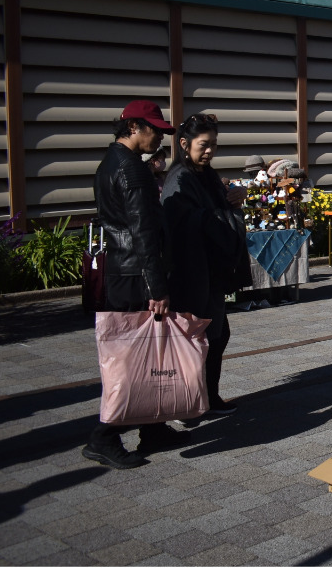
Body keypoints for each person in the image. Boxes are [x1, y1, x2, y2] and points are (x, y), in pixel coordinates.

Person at [85, 100, 179, 469]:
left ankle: (153, 428)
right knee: (135, 358)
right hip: (136, 274)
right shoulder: (133, 172)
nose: (159, 136)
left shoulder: (109, 163)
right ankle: (104, 436)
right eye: (154, 129)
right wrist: (157, 288)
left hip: (121, 271)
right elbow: (144, 233)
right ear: (134, 127)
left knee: (141, 353)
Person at [161, 113, 250, 423]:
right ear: (184, 144)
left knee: (216, 335)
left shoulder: (206, 175)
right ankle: (188, 402)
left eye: (214, 145)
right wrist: (220, 216)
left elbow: (217, 210)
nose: (210, 151)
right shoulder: (180, 179)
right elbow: (180, 225)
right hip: (189, 273)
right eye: (204, 145)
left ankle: (207, 396)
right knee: (195, 339)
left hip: (210, 272)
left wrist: (234, 200)